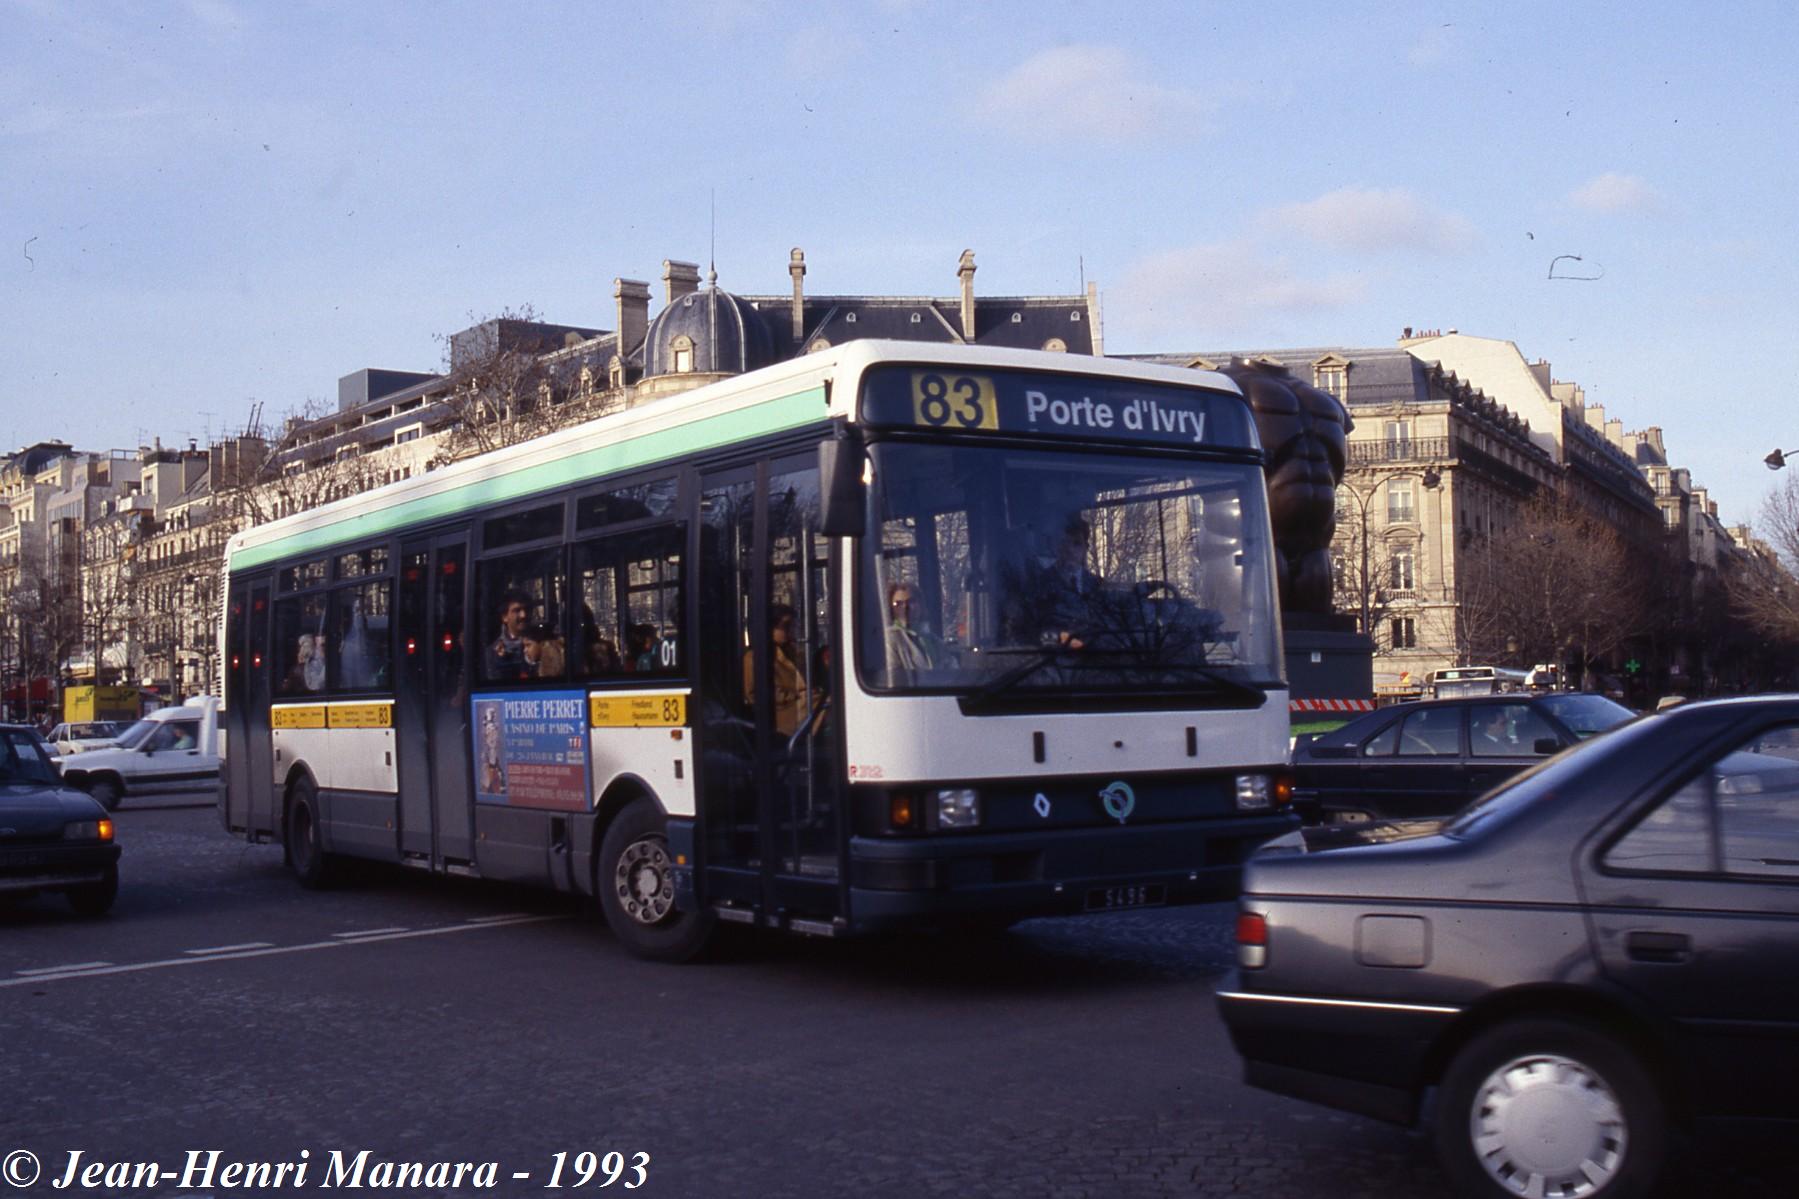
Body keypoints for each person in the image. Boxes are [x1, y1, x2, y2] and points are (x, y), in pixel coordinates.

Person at [743, 604, 814, 738]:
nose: (790, 631)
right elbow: (755, 694)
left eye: (791, 626)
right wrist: (796, 696)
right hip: (782, 715)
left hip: (801, 706)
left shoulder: (790, 651)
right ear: (770, 628)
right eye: (785, 626)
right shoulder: (754, 657)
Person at [884, 582, 946, 680]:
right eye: (898, 604)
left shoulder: (935, 641)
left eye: (911, 602)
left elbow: (952, 672)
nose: (905, 607)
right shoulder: (888, 639)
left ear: (921, 605)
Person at [485, 588, 534, 680]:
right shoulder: (492, 653)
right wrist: (501, 661)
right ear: (505, 617)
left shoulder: (544, 644)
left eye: (527, 609)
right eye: (517, 610)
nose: (523, 615)